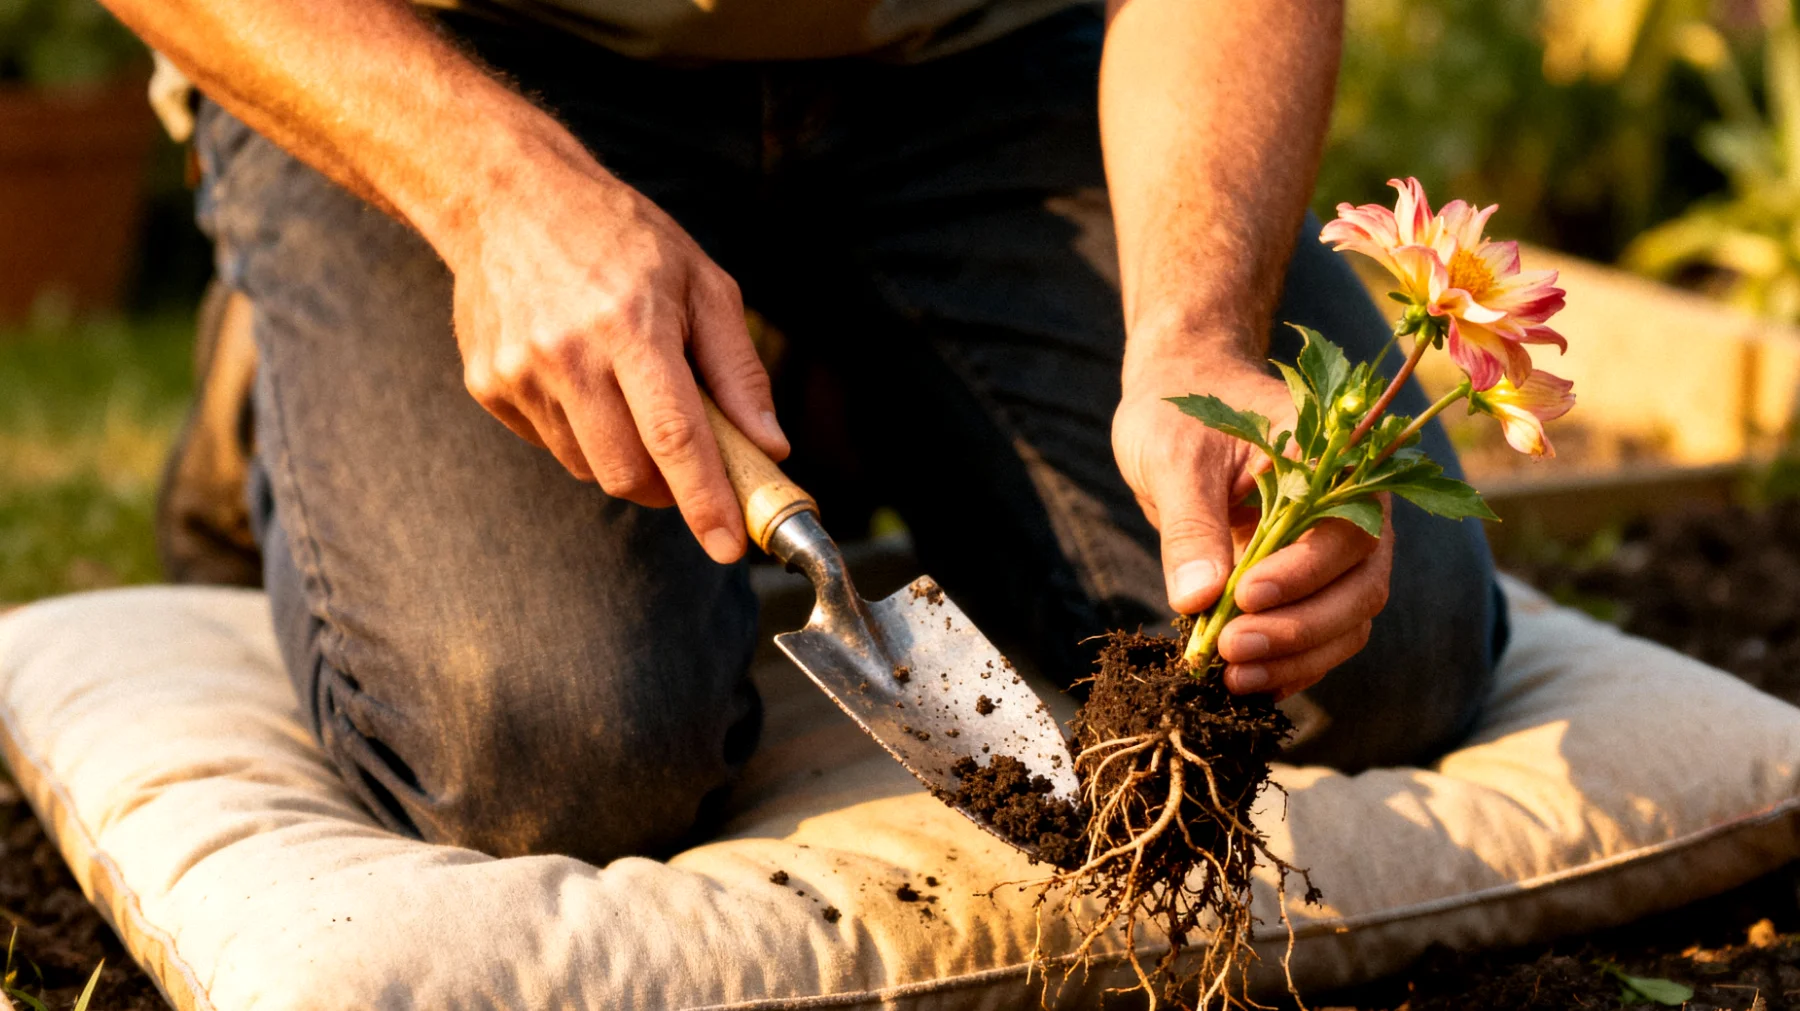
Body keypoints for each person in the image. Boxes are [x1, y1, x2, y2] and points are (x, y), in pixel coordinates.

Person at [113, 0, 1506, 866]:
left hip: (980, 63)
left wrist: (1191, 337)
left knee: (1376, 653)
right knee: (562, 740)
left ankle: (855, 389)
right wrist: (493, 199)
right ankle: (288, 371)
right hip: (462, 60)